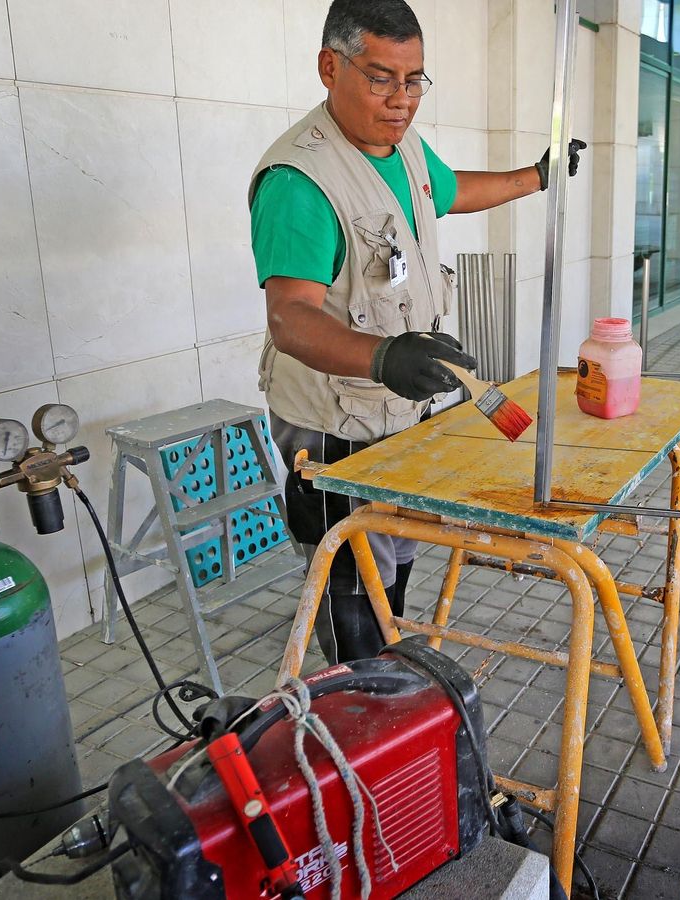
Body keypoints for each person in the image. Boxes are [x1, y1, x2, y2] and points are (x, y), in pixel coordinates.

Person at [249, 0, 585, 664]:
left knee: (395, 563)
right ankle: (355, 710)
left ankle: (391, 691)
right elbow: (290, 317)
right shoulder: (301, 181)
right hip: (333, 427)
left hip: (398, 413)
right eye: (380, 78)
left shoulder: (400, 147)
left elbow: (449, 190)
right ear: (329, 67)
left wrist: (536, 178)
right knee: (348, 584)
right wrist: (383, 357)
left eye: (414, 80)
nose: (401, 100)